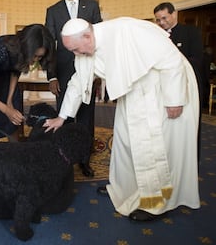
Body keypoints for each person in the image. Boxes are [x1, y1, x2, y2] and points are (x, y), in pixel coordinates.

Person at [44, 18, 200, 221]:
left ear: (87, 36)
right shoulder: (85, 48)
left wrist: (174, 99)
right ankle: (123, 189)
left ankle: (157, 203)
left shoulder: (128, 29)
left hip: (162, 92)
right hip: (134, 95)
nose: (76, 54)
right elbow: (78, 82)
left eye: (75, 49)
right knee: (125, 142)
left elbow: (171, 61)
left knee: (154, 147)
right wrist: (62, 117)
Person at [45, 0, 102, 177]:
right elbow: (50, 45)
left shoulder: (92, 7)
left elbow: (99, 39)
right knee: (64, 115)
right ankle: (65, 158)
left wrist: (96, 74)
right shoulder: (53, 10)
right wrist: (51, 75)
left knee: (86, 117)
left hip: (88, 70)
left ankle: (85, 160)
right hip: (62, 71)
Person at [154, 2, 204, 162]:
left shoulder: (191, 32)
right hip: (165, 90)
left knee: (189, 127)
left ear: (174, 14)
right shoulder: (157, 36)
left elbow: (197, 59)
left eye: (164, 18)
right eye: (158, 20)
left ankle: (190, 162)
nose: (161, 23)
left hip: (189, 87)